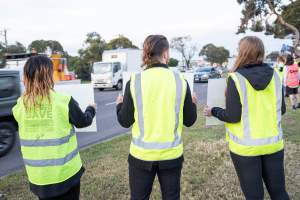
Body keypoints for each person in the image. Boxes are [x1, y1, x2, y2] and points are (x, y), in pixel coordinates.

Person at [204, 36, 289, 200]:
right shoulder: (275, 76)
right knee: (279, 193)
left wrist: (213, 110)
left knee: (254, 196)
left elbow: (233, 116)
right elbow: (282, 110)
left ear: (242, 53)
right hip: (273, 145)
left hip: (246, 148)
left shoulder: (236, 78)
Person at [116, 35, 197, 200]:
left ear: (146, 54)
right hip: (171, 156)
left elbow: (124, 122)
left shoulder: (135, 81)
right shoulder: (181, 81)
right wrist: (193, 104)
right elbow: (190, 121)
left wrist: (119, 105)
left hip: (141, 156)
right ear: (166, 54)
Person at [12, 55, 96, 200]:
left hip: (39, 178)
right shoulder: (63, 101)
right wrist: (91, 109)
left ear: (26, 76)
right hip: (66, 175)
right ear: (50, 76)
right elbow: (83, 122)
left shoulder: (20, 105)